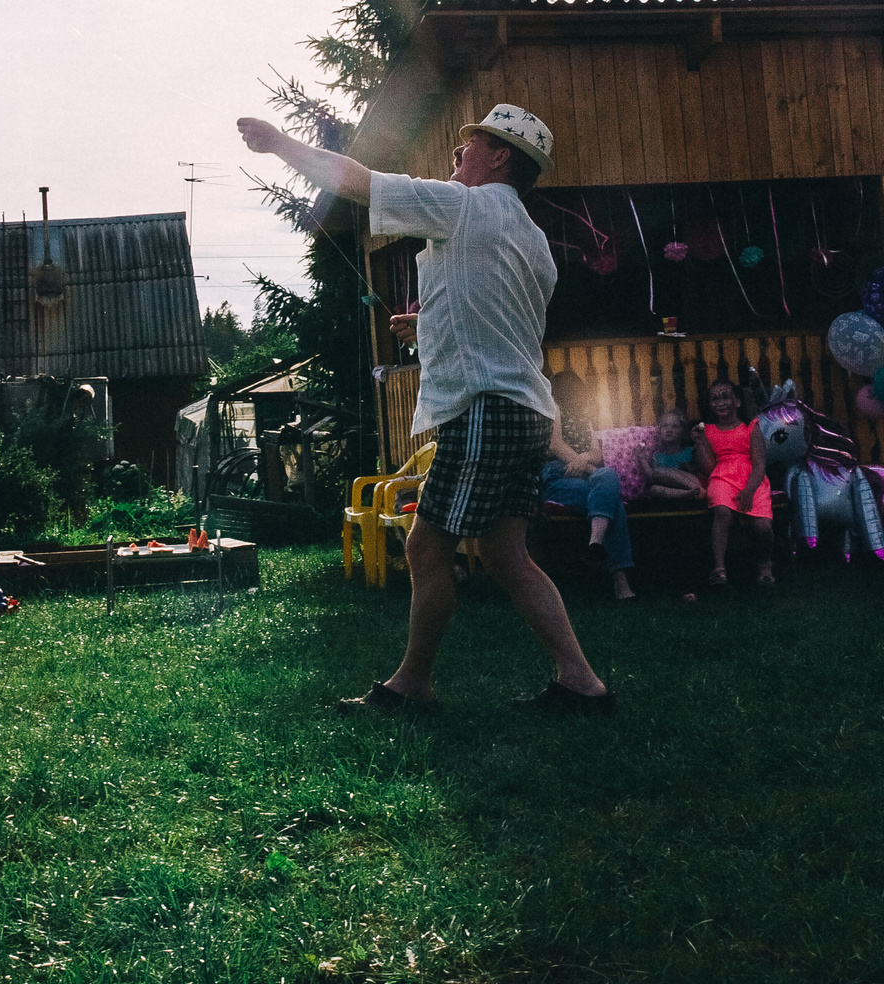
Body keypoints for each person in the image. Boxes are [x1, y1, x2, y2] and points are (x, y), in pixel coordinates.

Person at [241, 101, 614, 714]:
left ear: (500, 157)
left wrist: (282, 144)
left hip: (486, 409)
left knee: (424, 545)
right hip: (523, 409)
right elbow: (500, 318)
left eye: (470, 146)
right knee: (505, 554)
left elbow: (358, 182)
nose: (457, 155)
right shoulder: (532, 238)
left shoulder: (467, 205)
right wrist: (429, 322)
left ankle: (412, 685)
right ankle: (580, 680)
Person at [539, 375, 634, 602]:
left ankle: (595, 544)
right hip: (559, 475)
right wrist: (584, 465)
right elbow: (555, 444)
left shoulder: (586, 416)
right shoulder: (552, 408)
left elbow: (596, 453)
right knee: (613, 502)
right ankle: (620, 582)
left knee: (608, 475)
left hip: (587, 474)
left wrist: (585, 464)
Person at [694, 378, 774, 589]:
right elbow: (709, 467)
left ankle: (765, 564)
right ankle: (719, 568)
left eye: (726, 397)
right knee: (722, 511)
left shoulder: (750, 427)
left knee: (763, 527)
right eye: (714, 399)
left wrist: (748, 490)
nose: (720, 403)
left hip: (751, 478)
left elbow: (759, 464)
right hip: (722, 476)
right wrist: (700, 442)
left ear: (737, 402)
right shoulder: (708, 431)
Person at [638, 408, 708, 505]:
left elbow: (701, 469)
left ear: (683, 431)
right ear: (659, 430)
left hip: (693, 482)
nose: (669, 430)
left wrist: (690, 468)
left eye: (675, 426)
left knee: (659, 471)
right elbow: (653, 478)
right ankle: (689, 494)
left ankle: (697, 490)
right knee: (653, 489)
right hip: (675, 490)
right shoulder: (657, 456)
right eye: (665, 426)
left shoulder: (689, 451)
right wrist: (642, 460)